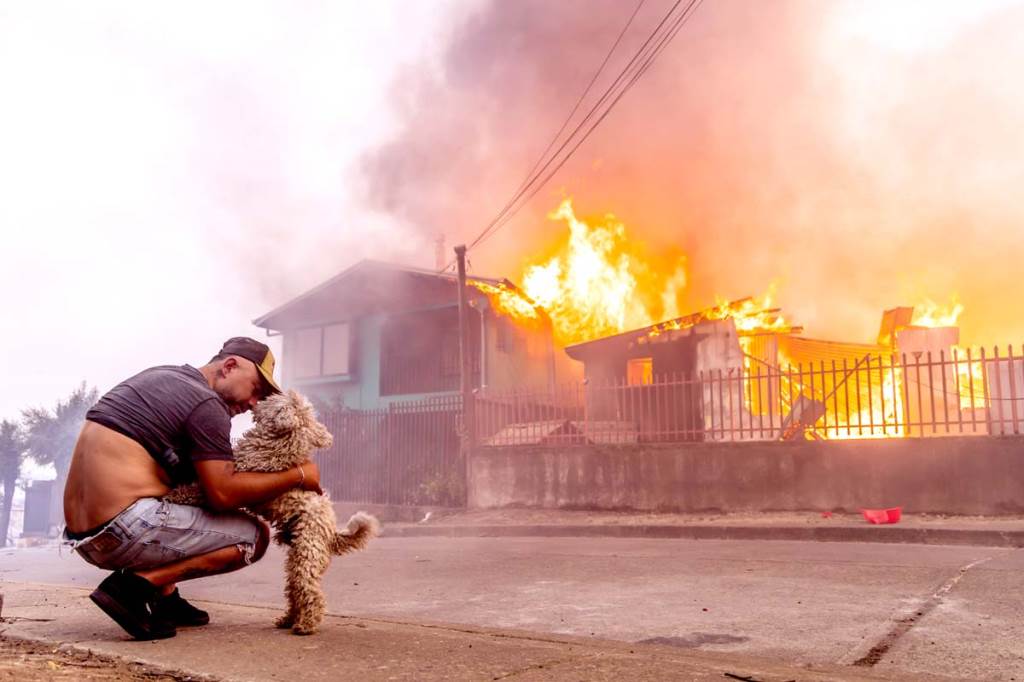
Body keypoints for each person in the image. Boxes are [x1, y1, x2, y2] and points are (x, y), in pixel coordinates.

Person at [62, 337, 323, 640]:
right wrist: (298, 475)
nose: (254, 403)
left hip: (84, 539)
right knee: (254, 537)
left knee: (181, 492)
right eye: (255, 389)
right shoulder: (207, 404)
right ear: (229, 366)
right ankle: (135, 588)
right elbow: (222, 494)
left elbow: (188, 483)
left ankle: (165, 598)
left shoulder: (162, 376)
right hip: (125, 528)